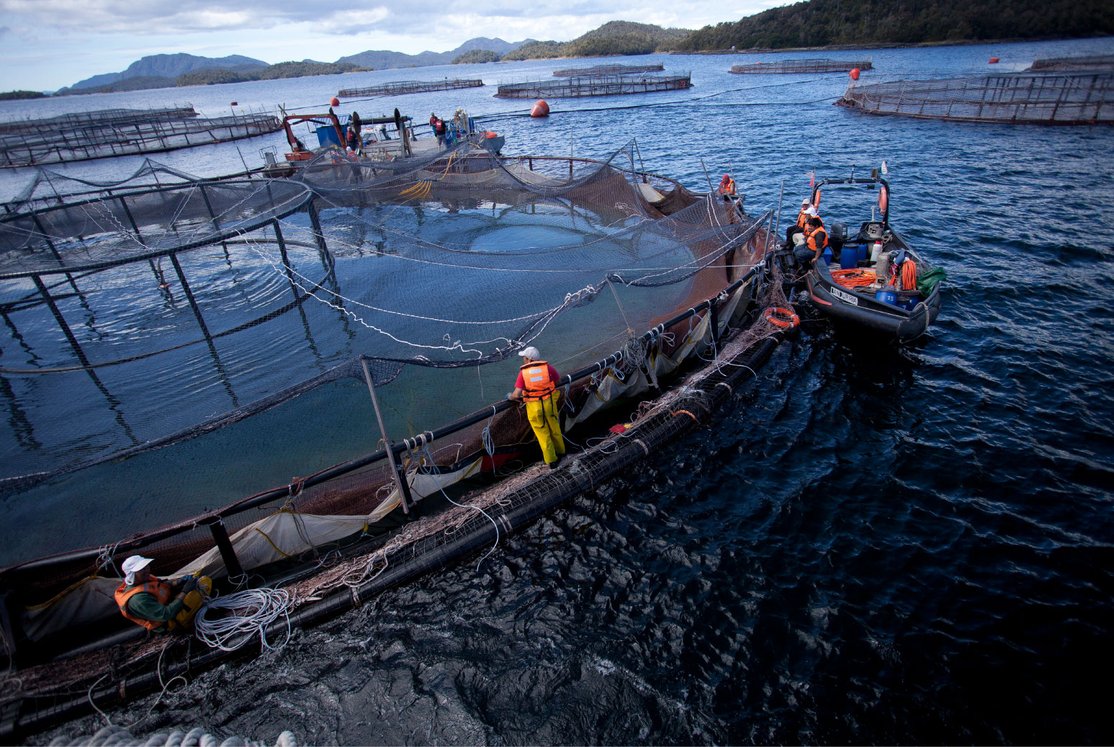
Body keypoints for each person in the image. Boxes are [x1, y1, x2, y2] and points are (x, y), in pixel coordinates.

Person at [114, 555, 211, 633]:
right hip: (170, 622)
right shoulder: (138, 600)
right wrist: (184, 592)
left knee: (197, 583)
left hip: (169, 602)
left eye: (146, 566)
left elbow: (161, 584)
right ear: (132, 575)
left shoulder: (144, 579)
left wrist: (180, 581)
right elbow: (166, 614)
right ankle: (188, 621)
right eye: (141, 569)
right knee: (204, 582)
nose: (146, 570)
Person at [507, 346, 566, 469]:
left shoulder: (523, 373)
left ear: (529, 360)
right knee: (555, 428)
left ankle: (552, 460)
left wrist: (510, 397)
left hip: (535, 408)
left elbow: (516, 394)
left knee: (543, 434)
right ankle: (561, 452)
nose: (523, 359)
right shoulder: (547, 368)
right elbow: (557, 380)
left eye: (524, 357)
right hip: (549, 404)